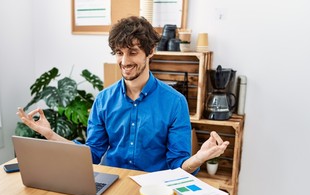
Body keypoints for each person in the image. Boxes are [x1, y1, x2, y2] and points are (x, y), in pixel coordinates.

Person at [17, 16, 229, 174]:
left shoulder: (175, 103)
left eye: (133, 52)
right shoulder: (103, 100)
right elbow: (92, 155)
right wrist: (50, 134)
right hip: (112, 185)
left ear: (151, 51)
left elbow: (177, 165)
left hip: (153, 190)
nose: (124, 61)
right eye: (119, 52)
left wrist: (198, 158)